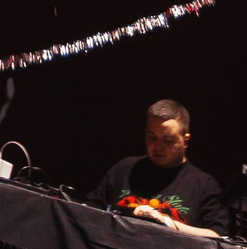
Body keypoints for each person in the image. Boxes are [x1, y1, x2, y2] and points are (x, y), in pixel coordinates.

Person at [85, 99, 228, 235]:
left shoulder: (203, 186)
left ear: (185, 140)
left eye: (168, 140)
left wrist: (169, 223)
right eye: (152, 138)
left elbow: (216, 235)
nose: (158, 147)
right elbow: (89, 211)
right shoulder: (126, 168)